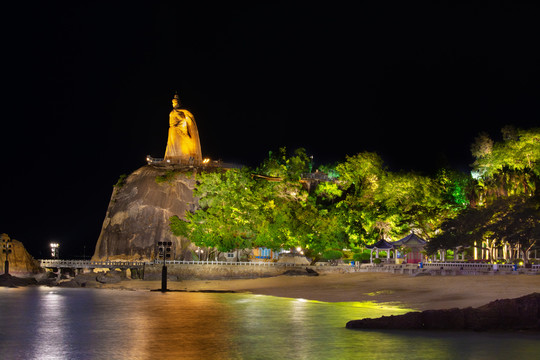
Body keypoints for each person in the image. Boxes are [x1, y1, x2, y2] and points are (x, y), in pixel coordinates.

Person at [164, 94, 202, 163]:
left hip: (182, 129)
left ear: (179, 103)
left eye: (176, 103)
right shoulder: (171, 113)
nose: (174, 104)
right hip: (173, 130)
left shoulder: (184, 111)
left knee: (188, 143)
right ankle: (173, 158)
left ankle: (188, 157)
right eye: (173, 103)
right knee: (173, 146)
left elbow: (189, 120)